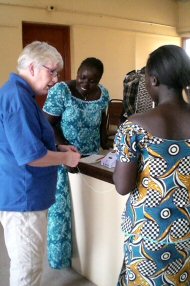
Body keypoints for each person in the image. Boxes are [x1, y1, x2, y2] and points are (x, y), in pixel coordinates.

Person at [0, 41, 81, 286]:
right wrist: (66, 158)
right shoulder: (17, 98)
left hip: (25, 194)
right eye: (52, 71)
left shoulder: (21, 94)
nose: (55, 79)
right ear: (33, 68)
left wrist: (58, 148)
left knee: (28, 263)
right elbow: (31, 156)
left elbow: (26, 142)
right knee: (28, 269)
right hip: (24, 199)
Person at [113, 45, 190, 285]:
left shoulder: (135, 126)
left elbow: (122, 186)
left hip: (147, 233)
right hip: (186, 231)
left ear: (154, 80)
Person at [43, 57, 110, 269]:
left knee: (88, 207)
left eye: (92, 81)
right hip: (64, 159)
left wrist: (104, 145)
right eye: (82, 77)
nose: (85, 83)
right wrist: (65, 151)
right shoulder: (61, 91)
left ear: (99, 80)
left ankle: (87, 259)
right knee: (62, 209)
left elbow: (102, 121)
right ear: (77, 72)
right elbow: (48, 124)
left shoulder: (103, 94)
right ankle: (61, 259)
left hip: (90, 159)